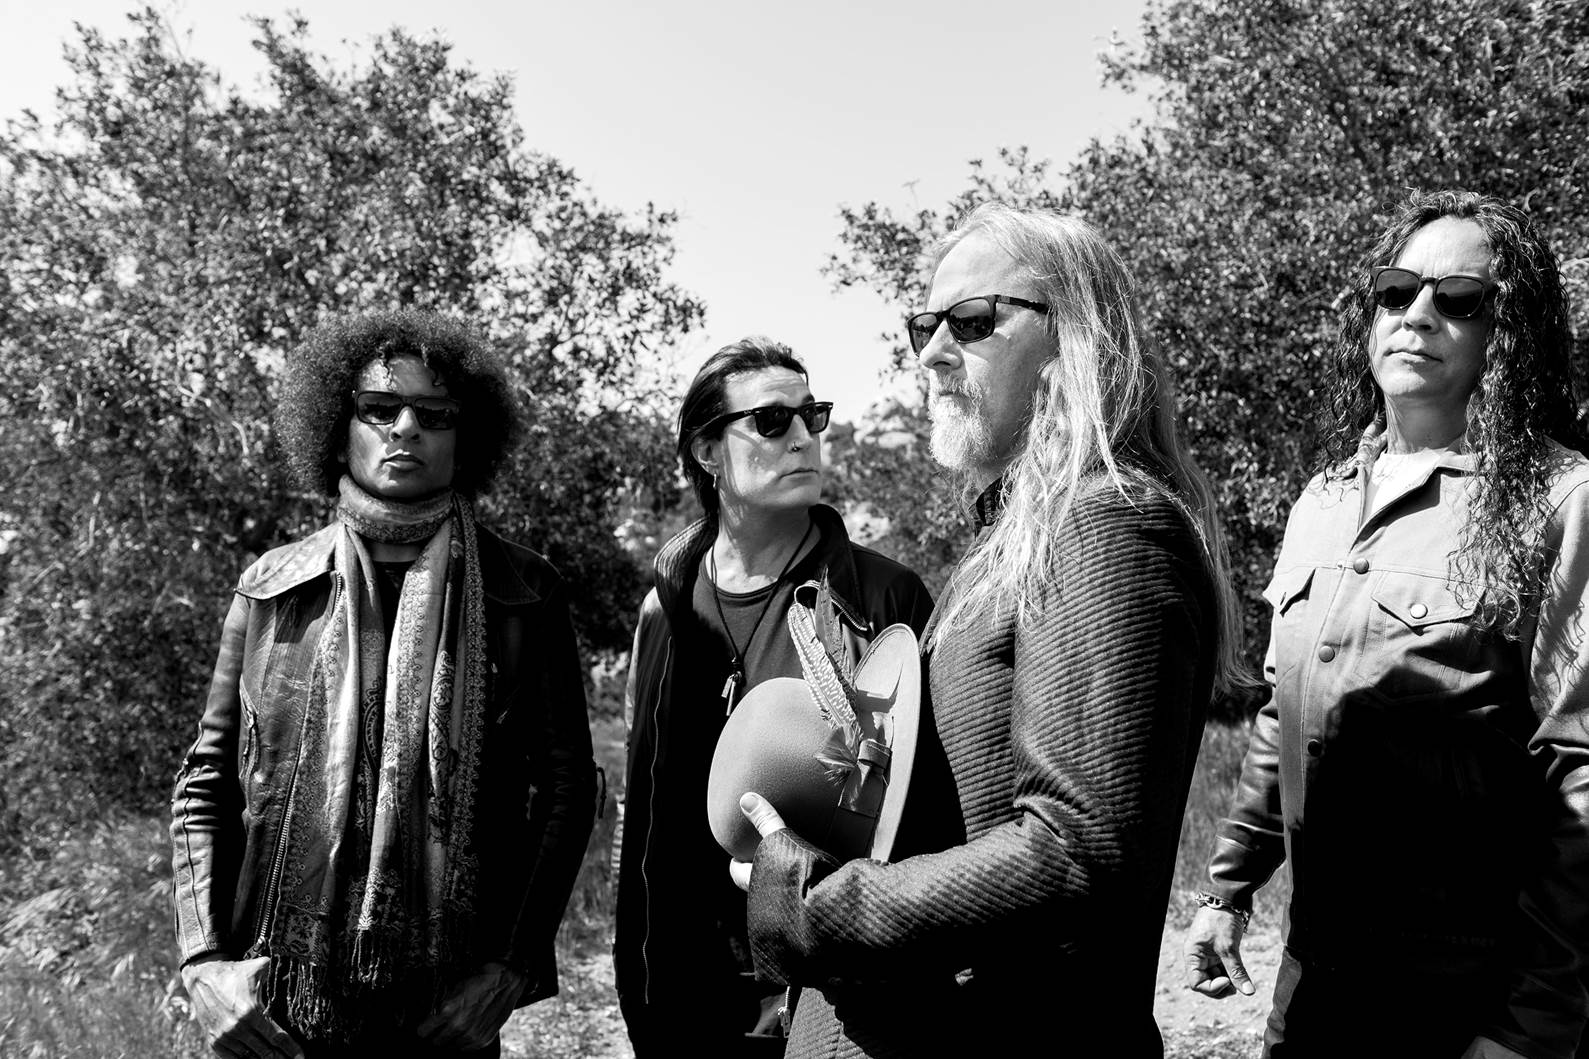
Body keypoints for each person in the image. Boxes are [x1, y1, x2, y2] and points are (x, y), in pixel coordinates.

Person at [732, 202, 1248, 1058]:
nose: (932, 352)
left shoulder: (1106, 523)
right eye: (923, 326)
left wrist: (817, 905)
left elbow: (1074, 852)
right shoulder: (1013, 536)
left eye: (971, 322)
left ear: (1075, 336)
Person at [1183, 189, 1589, 1059]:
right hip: (1315, 982)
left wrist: (1530, 1026)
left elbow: (1580, 774)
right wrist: (1226, 889)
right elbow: (1282, 715)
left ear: (1507, 330)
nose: (1417, 314)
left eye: (1459, 298)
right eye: (1396, 290)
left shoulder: (1562, 501)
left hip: (1465, 1001)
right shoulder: (1322, 500)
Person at [170, 311, 598, 1058]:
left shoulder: (524, 590)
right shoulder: (270, 588)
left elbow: (565, 789)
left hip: (445, 1011)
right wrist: (204, 962)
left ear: (465, 440)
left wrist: (510, 969)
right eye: (379, 407)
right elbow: (205, 781)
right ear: (339, 431)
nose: (406, 428)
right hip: (277, 1005)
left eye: (435, 415)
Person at [612, 336, 934, 1057]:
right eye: (770, 420)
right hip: (680, 981)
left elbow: (925, 816)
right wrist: (634, 965)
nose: (802, 438)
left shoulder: (882, 600)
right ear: (706, 450)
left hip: (820, 986)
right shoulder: (663, 610)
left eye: (811, 415)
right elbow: (644, 809)